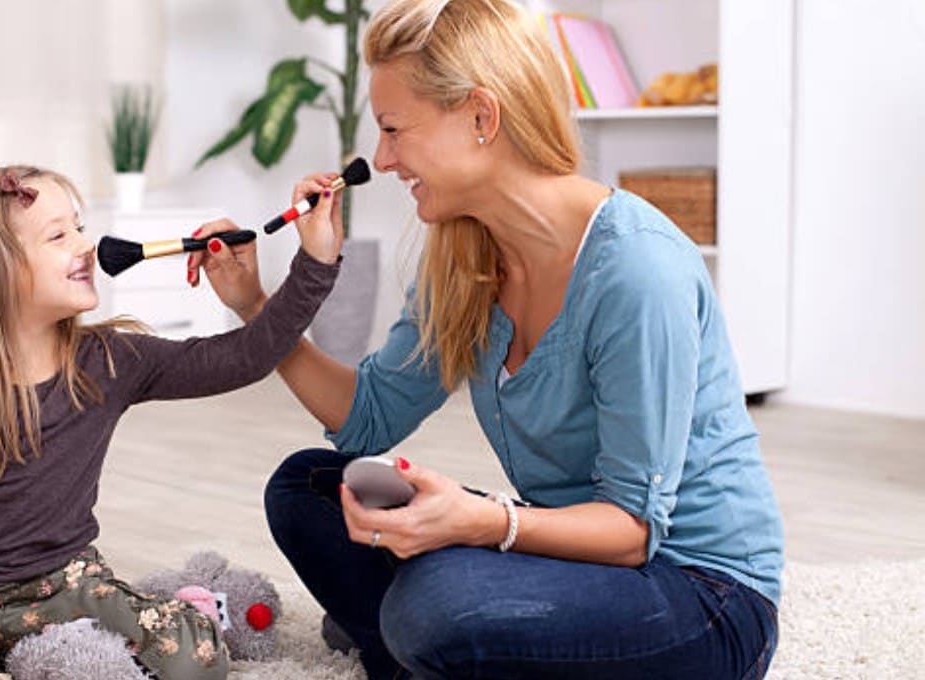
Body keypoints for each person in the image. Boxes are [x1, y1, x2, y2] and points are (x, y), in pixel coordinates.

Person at [197, 0, 785, 678]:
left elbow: (631, 532)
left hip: (698, 595)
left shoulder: (634, 268)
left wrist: (483, 523)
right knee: (307, 489)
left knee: (437, 609)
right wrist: (255, 304)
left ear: (481, 117)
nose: (382, 160)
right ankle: (445, 644)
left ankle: (425, 638)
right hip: (570, 558)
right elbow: (367, 419)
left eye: (393, 130)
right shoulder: (464, 256)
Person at [0, 164, 343, 680]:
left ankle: (189, 606)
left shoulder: (111, 360)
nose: (86, 246)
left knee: (195, 662)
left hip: (70, 595)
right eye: (59, 236)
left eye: (79, 227)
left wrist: (314, 263)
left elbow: (243, 357)